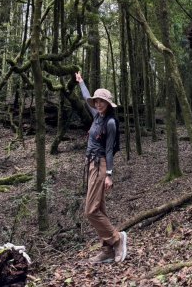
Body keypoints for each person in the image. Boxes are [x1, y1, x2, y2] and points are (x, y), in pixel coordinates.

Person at [75, 71, 127, 264]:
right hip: (91, 164)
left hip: (101, 165)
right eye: (96, 101)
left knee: (90, 211)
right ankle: (106, 250)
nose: (98, 104)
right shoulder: (96, 116)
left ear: (108, 104)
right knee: (100, 209)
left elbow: (110, 149)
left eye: (101, 101)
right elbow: (86, 95)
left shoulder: (111, 123)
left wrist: (109, 174)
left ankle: (116, 239)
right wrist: (81, 82)